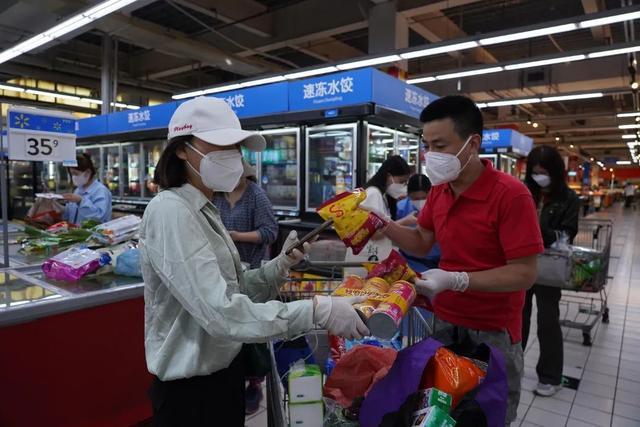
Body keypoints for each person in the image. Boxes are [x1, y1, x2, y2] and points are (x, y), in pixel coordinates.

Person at [140, 96, 368, 426]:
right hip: (191, 395)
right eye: (220, 144)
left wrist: (279, 266)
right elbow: (221, 312)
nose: (232, 156)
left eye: (236, 146)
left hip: (222, 378)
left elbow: (236, 288)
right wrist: (318, 311)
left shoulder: (204, 208)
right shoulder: (171, 211)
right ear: (180, 149)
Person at [376, 96, 543, 425]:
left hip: (492, 333)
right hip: (445, 323)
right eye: (426, 145)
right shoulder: (439, 191)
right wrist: (384, 225)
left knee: (485, 417)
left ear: (472, 144)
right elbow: (423, 242)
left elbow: (525, 273)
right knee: (439, 414)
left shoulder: (511, 195)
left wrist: (458, 279)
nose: (430, 156)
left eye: (439, 145)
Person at [212, 160, 278, 415]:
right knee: (229, 324)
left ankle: (254, 381)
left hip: (250, 268)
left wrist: (237, 236)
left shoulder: (255, 196)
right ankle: (232, 374)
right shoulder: (216, 196)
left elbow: (270, 232)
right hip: (223, 269)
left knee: (250, 326)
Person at [521, 145, 579, 397]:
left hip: (549, 269)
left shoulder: (568, 199)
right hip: (520, 265)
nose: (538, 176)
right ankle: (514, 365)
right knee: (516, 319)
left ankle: (550, 376)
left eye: (543, 172)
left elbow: (566, 235)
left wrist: (534, 228)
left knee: (547, 322)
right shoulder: (523, 193)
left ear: (555, 172)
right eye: (534, 172)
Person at [395, 174, 441, 271]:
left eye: (424, 197)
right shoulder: (401, 208)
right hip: (411, 262)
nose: (420, 202)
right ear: (408, 195)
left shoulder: (441, 206)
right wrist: (404, 222)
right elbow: (389, 231)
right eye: (415, 199)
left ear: (431, 193)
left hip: (439, 261)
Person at [60, 153, 112, 225]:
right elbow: (70, 214)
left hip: (94, 235)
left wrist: (80, 201)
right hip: (76, 234)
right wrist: (57, 207)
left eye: (76, 173)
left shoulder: (101, 191)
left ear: (88, 172)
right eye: (72, 174)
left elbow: (99, 217)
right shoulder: (78, 190)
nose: (73, 177)